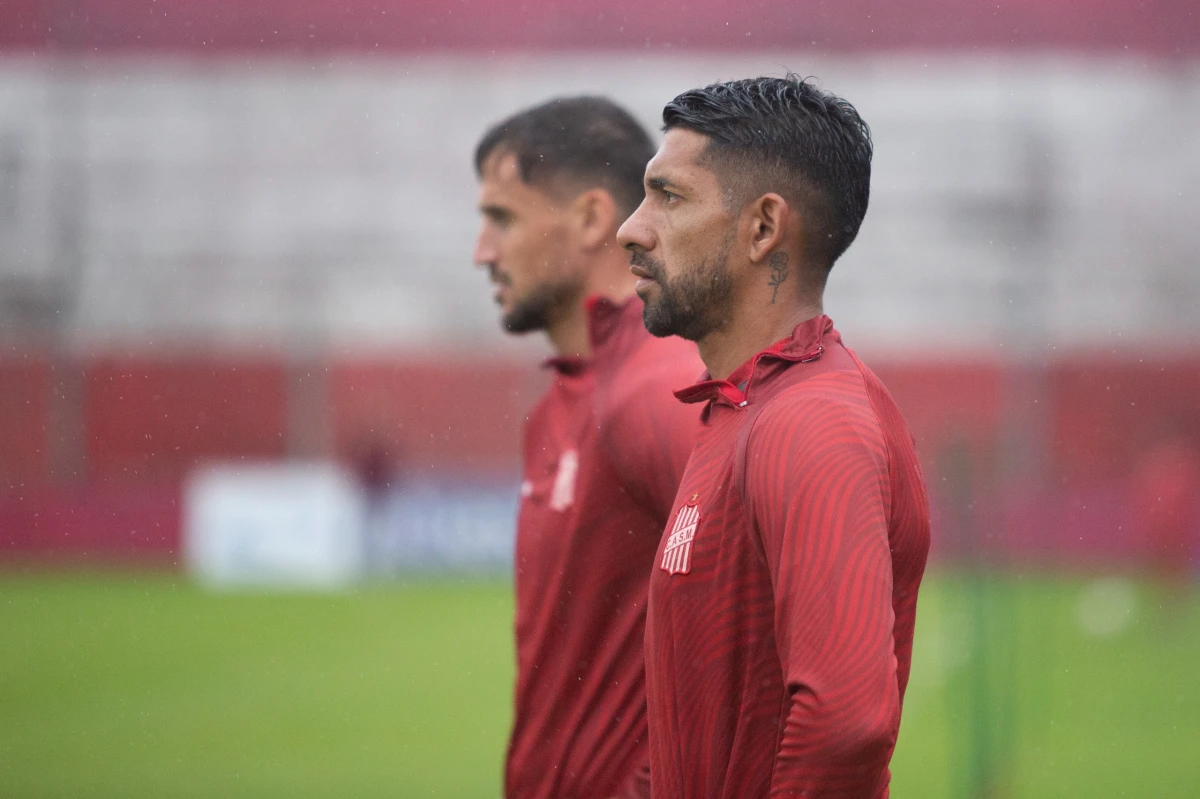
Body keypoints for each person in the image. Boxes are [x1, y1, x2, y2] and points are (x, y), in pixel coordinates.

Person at [616, 76, 931, 798]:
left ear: (763, 229)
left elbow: (846, 722)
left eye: (668, 196)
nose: (631, 228)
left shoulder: (812, 422)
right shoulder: (742, 407)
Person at [472, 96, 702, 799]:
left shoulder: (663, 388)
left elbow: (766, 620)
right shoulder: (561, 406)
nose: (481, 251)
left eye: (502, 217)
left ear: (594, 219)